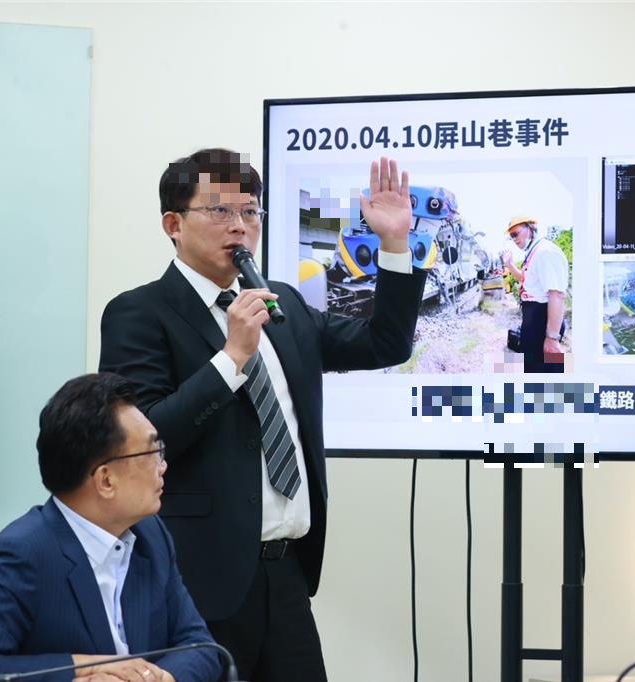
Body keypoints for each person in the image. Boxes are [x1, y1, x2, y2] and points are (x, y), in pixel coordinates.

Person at [98, 149, 426, 681]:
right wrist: (231, 358)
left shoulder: (284, 306)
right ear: (173, 225)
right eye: (220, 211)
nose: (240, 226)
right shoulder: (139, 313)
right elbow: (144, 441)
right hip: (194, 583)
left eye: (250, 211)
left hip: (287, 571)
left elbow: (386, 343)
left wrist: (393, 243)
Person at [0, 373, 222, 682]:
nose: (163, 466)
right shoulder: (22, 554)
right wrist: (82, 668)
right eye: (152, 453)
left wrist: (158, 678)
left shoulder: (151, 535)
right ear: (106, 480)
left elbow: (199, 645)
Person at [500, 216, 570, 372]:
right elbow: (525, 279)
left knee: (546, 372)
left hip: (542, 321)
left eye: (516, 234)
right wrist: (510, 264)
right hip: (534, 320)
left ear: (530, 227)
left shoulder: (545, 252)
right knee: (534, 368)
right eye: (511, 236)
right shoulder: (534, 252)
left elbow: (557, 295)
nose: (514, 239)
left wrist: (552, 338)